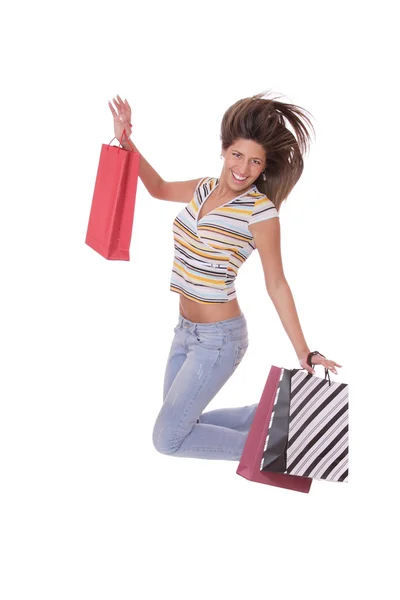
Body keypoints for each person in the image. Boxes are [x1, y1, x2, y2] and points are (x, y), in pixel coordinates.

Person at [108, 91, 342, 461]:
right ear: (223, 150)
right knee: (184, 425)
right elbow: (156, 189)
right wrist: (125, 140)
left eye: (254, 162)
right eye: (237, 155)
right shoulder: (202, 188)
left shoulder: (260, 212)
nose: (243, 168)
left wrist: (304, 351)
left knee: (168, 439)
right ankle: (273, 420)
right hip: (184, 330)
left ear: (263, 168)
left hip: (219, 339)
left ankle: (276, 452)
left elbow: (276, 283)